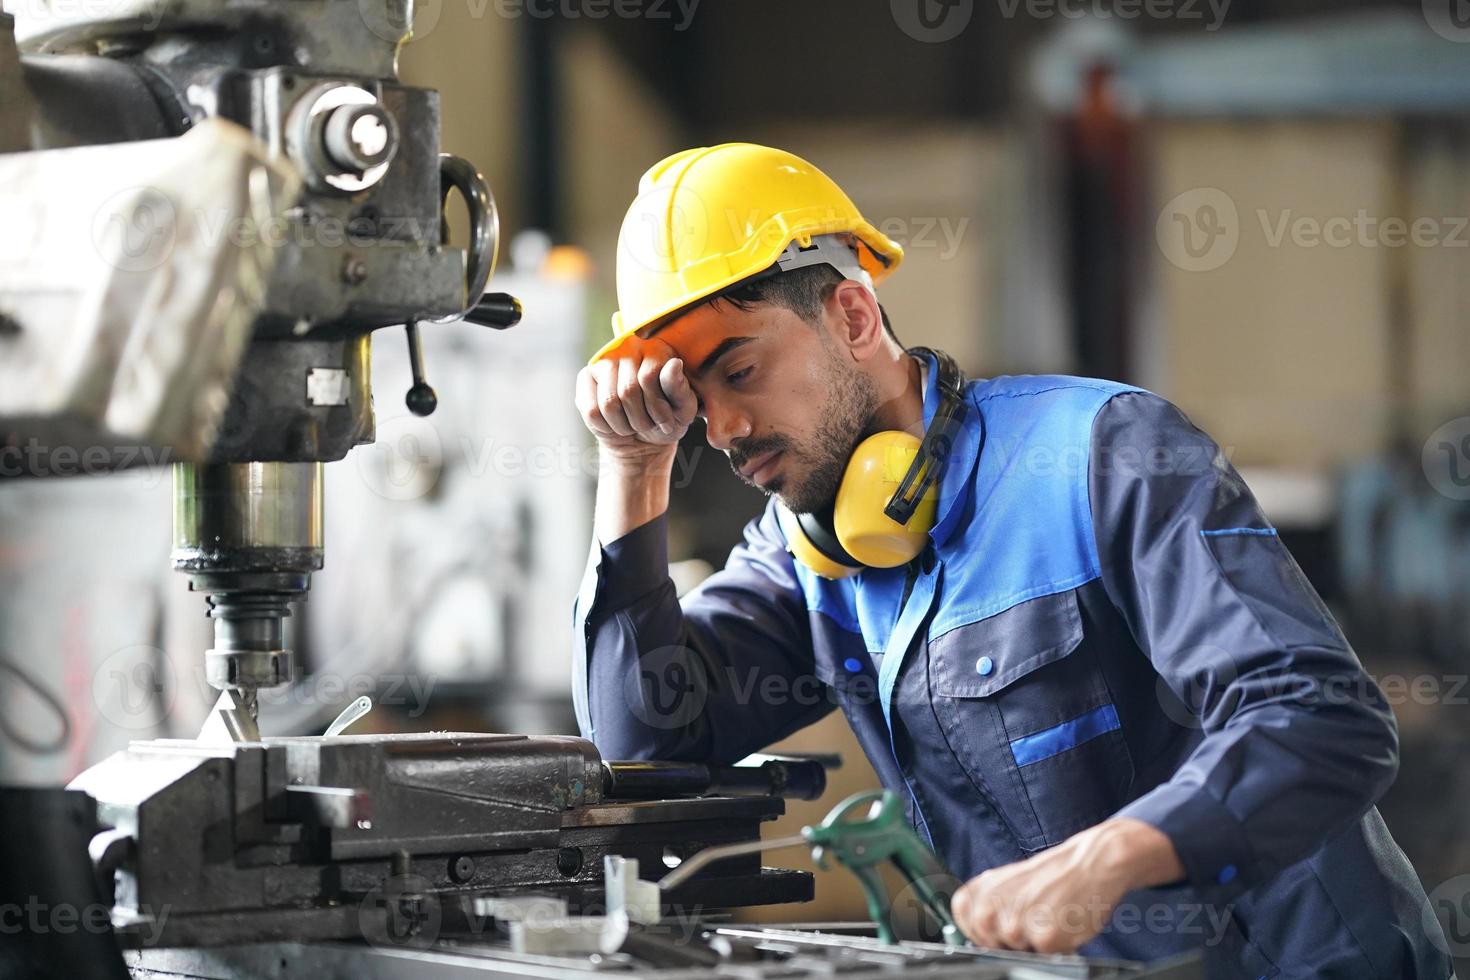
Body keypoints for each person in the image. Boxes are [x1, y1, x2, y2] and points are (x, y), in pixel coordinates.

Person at [570, 142, 1451, 977]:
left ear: (851, 314)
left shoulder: (1101, 454)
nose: (720, 431)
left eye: (741, 371)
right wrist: (635, 468)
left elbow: (1324, 719)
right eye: (696, 400)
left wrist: (1112, 858)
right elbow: (646, 744)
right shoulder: (806, 553)